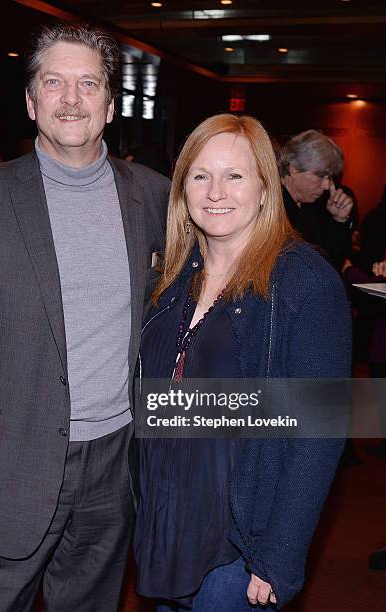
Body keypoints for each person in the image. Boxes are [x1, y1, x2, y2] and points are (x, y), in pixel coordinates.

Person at [0, 22, 169, 612]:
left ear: (109, 106)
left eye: (88, 84)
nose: (71, 98)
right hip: (5, 461)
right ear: (31, 102)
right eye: (54, 82)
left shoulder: (153, 196)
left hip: (115, 464)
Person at [134, 114, 351, 610]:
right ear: (182, 187)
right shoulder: (172, 279)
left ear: (264, 188)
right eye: (200, 175)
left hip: (239, 545)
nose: (216, 192)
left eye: (235, 176)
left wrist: (279, 554)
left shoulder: (302, 282)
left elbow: (319, 434)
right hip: (165, 529)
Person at [279, 129, 354, 270]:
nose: (327, 185)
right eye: (320, 176)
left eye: (330, 177)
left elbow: (329, 265)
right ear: (294, 169)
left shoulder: (311, 206)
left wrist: (339, 220)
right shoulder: (272, 207)